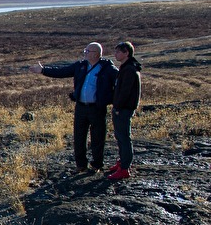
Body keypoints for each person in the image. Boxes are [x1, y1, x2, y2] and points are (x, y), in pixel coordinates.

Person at [29, 42, 118, 173]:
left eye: (88, 51)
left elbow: (121, 83)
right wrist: (43, 70)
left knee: (98, 137)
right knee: (79, 137)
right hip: (81, 107)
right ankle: (81, 165)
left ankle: (97, 165)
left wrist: (111, 99)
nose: (85, 53)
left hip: (97, 108)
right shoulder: (80, 66)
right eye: (85, 51)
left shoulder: (108, 69)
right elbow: (62, 71)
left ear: (97, 54)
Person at [107, 41, 142, 180]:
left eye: (118, 52)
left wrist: (118, 107)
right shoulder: (127, 67)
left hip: (123, 109)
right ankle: (122, 162)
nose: (115, 54)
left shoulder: (129, 69)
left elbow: (125, 92)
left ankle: (125, 168)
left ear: (126, 52)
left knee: (123, 138)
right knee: (120, 137)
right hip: (123, 108)